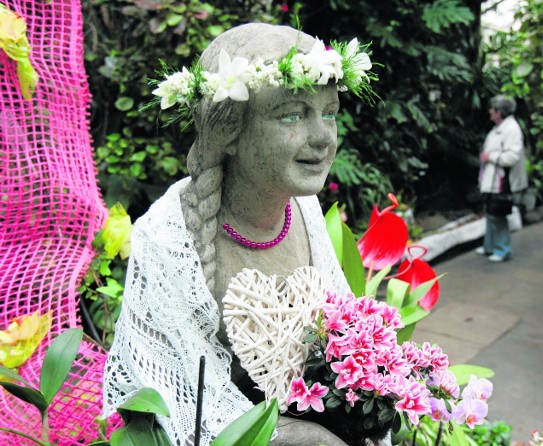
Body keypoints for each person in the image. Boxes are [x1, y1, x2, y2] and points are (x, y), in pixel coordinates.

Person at [103, 23, 379, 446]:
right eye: (292, 114)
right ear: (227, 131)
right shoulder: (167, 239)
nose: (323, 137)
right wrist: (301, 436)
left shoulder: (303, 208)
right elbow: (181, 401)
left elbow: (340, 343)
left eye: (330, 112)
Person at [476, 94, 528, 262]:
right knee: (491, 212)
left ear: (500, 112)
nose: (490, 112)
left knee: (498, 215)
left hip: (502, 181)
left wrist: (490, 157)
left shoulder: (511, 129)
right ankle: (490, 246)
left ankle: (503, 249)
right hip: (493, 180)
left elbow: (512, 156)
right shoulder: (499, 127)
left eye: (493, 109)